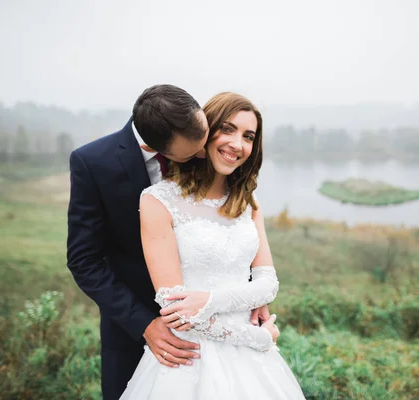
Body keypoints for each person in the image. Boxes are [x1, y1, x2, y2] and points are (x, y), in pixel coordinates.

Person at [120, 92, 305, 399]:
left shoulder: (249, 203)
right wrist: (257, 338)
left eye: (248, 136)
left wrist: (208, 300)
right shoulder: (157, 201)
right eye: (228, 129)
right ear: (205, 132)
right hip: (189, 357)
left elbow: (268, 283)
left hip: (254, 362)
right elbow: (175, 309)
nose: (237, 144)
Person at [67, 84, 214, 400]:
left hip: (210, 323)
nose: (205, 154)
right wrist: (145, 324)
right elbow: (84, 261)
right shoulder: (92, 163)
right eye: (193, 152)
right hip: (131, 331)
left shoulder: (201, 140)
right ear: (158, 147)